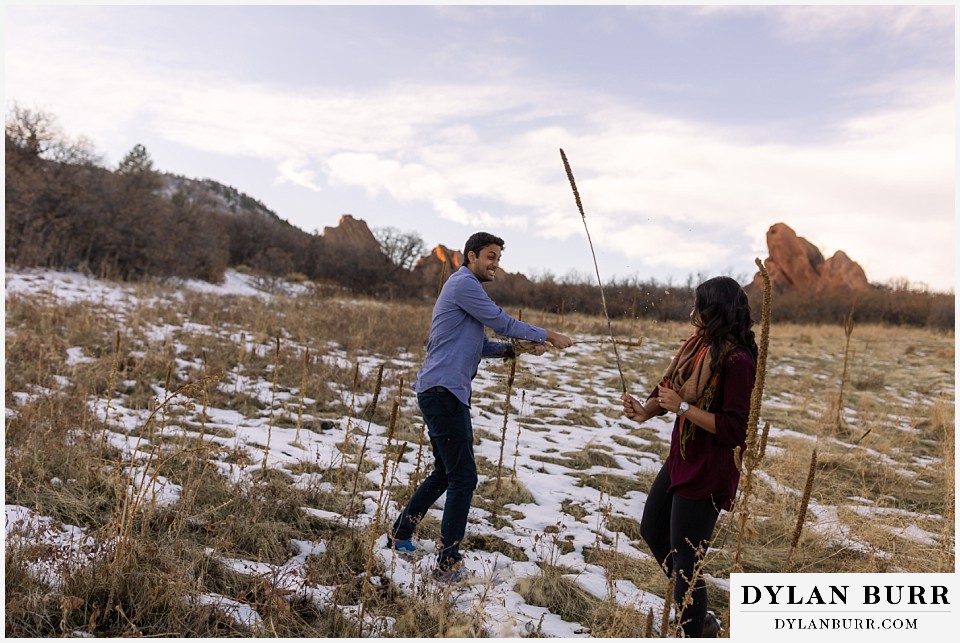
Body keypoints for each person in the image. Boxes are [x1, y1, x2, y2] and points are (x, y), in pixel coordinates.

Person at [387, 232, 573, 582]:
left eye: (498, 258)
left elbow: (482, 345)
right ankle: (447, 563)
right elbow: (502, 322)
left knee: (446, 471)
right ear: (471, 256)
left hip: (441, 390)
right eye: (490, 256)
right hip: (443, 390)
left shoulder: (465, 292)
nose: (495, 264)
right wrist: (546, 334)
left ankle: (400, 533)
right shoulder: (464, 284)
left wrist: (518, 349)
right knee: (464, 477)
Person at [621, 276, 757, 637]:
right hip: (683, 457)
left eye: (699, 305)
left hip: (710, 468)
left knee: (686, 562)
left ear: (714, 311)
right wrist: (645, 410)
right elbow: (669, 387)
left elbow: (733, 430)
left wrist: (682, 408)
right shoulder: (698, 346)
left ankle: (695, 627)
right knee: (652, 530)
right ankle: (698, 613)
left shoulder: (738, 360)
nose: (692, 312)